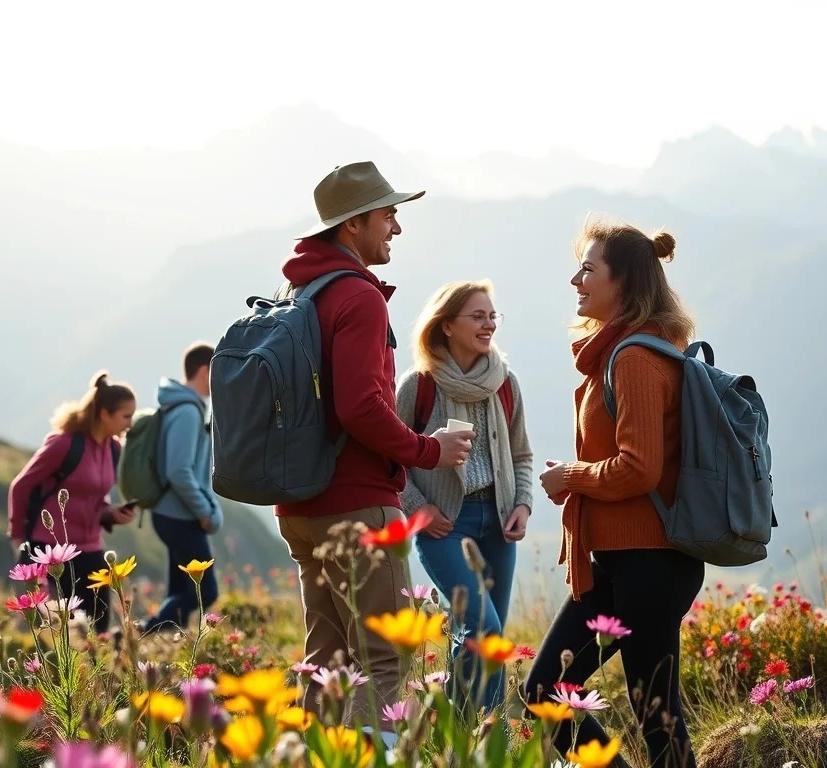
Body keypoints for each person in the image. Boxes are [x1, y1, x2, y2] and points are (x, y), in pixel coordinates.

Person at [273, 161, 475, 729]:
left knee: (327, 662)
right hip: (358, 503)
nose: (397, 227)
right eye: (389, 215)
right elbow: (360, 407)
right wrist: (427, 450)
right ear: (353, 225)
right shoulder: (358, 298)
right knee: (383, 661)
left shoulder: (302, 290)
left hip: (303, 507)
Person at [525, 219, 705, 768]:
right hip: (618, 563)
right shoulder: (621, 353)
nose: (575, 280)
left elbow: (639, 469)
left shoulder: (633, 358)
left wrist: (571, 477)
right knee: (546, 691)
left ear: (623, 282)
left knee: (656, 713)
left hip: (651, 563)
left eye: (588, 269)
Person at [394, 280, 534, 714]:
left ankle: (452, 741)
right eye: (478, 316)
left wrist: (523, 504)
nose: (489, 324)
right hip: (445, 528)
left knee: (475, 643)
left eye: (493, 316)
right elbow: (390, 462)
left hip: (498, 526)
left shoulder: (504, 382)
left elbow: (522, 455)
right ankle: (494, 742)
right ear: (447, 325)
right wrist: (420, 511)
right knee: (485, 633)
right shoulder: (418, 386)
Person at [8, 371, 139, 635]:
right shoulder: (65, 444)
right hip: (49, 548)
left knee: (98, 627)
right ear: (104, 414)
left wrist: (111, 514)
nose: (130, 423)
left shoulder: (113, 448)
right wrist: (19, 535)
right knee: (50, 629)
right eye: (126, 416)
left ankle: (93, 677)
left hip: (90, 550)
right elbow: (21, 485)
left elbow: (95, 498)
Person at [142, 341, 223, 634]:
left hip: (173, 512)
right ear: (204, 371)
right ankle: (141, 633)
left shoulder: (180, 406)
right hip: (180, 516)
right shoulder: (188, 411)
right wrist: (204, 510)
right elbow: (179, 470)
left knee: (180, 589)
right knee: (205, 591)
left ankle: (168, 649)